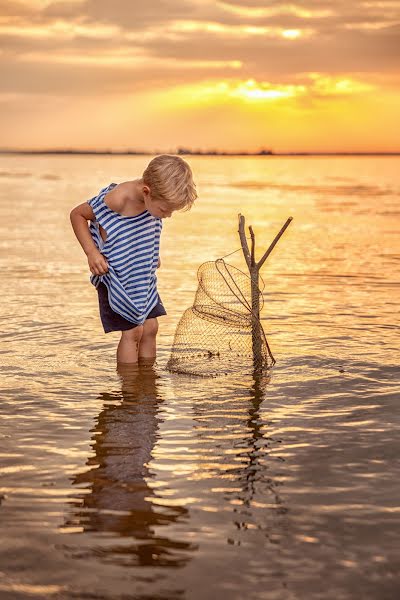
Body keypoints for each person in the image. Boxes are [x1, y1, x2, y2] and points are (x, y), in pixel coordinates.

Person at [70, 154, 197, 365]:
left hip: (140, 276)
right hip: (116, 278)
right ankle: (129, 386)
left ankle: (147, 379)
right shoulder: (117, 199)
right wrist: (92, 253)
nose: (168, 216)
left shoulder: (151, 202)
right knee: (133, 331)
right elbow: (77, 215)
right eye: (166, 210)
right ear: (147, 192)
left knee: (151, 327)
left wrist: (152, 252)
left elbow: (145, 228)